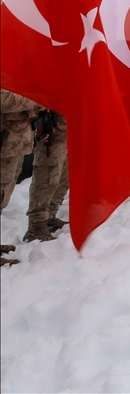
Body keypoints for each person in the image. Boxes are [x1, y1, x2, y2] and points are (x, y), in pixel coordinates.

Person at [1, 90, 41, 265]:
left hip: (14, 145)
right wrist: (37, 98)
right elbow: (6, 100)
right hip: (4, 145)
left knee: (3, 197)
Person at [23, 109, 68, 243]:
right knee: (47, 177)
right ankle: (36, 225)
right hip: (52, 127)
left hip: (68, 127)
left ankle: (50, 215)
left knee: (63, 177)